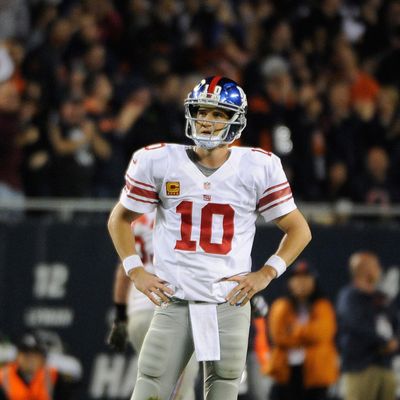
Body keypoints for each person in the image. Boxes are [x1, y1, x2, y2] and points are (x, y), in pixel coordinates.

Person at [107, 76, 312, 400]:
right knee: (149, 389)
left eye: (218, 114)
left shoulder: (259, 166)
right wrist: (136, 270)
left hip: (228, 302)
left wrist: (267, 273)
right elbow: (120, 218)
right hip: (175, 299)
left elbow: (300, 229)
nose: (207, 120)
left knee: (223, 390)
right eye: (202, 111)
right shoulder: (158, 160)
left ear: (236, 120)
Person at [107, 211, 199, 400]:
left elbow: (124, 271)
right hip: (169, 313)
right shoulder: (180, 213)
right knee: (176, 387)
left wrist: (120, 316)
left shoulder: (135, 220)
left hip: (138, 316)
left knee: (158, 384)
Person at [266, 260, 339, 400]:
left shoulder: (323, 306)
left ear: (314, 281)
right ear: (289, 283)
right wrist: (307, 337)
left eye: (306, 278)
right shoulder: (281, 306)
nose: (301, 282)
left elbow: (321, 334)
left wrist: (295, 330)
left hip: (315, 374)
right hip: (287, 373)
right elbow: (278, 336)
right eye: (297, 278)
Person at [336, 251, 399, 400]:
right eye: (375, 265)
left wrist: (395, 341)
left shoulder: (382, 298)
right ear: (362, 269)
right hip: (360, 367)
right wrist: (384, 342)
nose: (379, 269)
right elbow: (356, 324)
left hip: (385, 365)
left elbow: (395, 323)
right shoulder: (349, 296)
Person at [0, 333, 76, 400]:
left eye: (35, 353)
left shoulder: (54, 376)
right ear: (17, 356)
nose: (30, 358)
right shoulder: (3, 376)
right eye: (25, 353)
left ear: (43, 357)